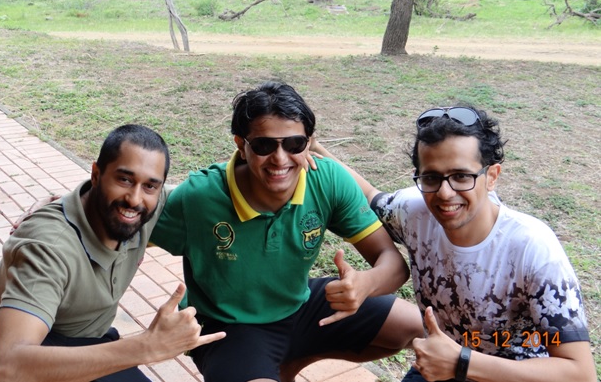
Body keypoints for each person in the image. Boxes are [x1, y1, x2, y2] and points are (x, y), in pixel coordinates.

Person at [150, 81, 425, 382]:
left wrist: (365, 285)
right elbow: (131, 236)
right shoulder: (200, 196)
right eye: (264, 145)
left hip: (301, 304)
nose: (280, 159)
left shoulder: (328, 180)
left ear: (309, 143)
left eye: (294, 144)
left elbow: (393, 263)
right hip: (231, 326)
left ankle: (295, 361)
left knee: (418, 326)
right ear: (241, 145)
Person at [312, 106, 596, 382]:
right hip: (441, 368)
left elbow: (579, 373)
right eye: (431, 177)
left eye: (461, 176)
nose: (445, 193)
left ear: (492, 176)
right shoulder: (415, 211)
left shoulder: (531, 248)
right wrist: (316, 150)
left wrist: (462, 362)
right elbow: (372, 196)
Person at [0, 124, 225, 382]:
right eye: (124, 180)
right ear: (96, 174)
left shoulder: (149, 206)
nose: (135, 199)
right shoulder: (49, 245)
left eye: (150, 185)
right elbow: (8, 367)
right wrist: (146, 347)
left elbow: (220, 189)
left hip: (81, 341)